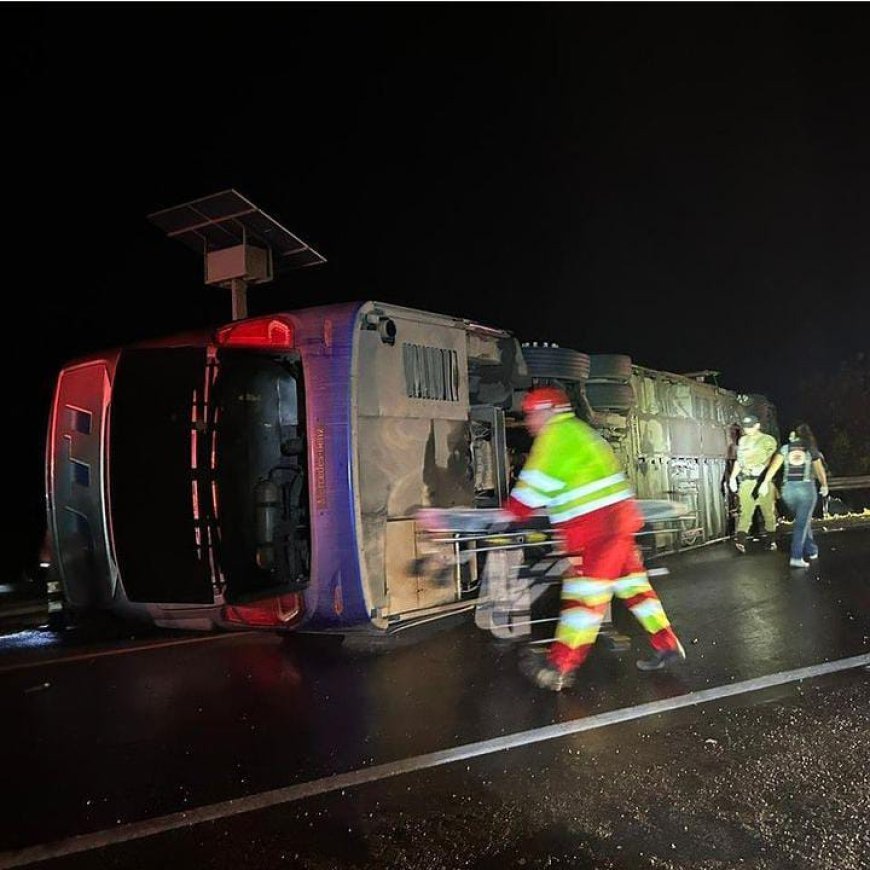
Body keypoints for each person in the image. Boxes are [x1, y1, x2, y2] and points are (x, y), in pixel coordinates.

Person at [502, 386, 685, 692]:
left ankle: (559, 667)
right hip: (617, 523)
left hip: (598, 530)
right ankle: (667, 645)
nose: (529, 422)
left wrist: (510, 515)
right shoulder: (581, 432)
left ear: (548, 411)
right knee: (635, 589)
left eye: (532, 414)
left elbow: (534, 485)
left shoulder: (556, 437)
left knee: (585, 595)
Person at [759, 423, 829, 568]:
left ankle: (811, 549)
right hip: (806, 488)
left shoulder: (785, 449)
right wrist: (824, 485)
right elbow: (819, 469)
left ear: (794, 435)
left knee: (803, 519)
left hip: (788, 490)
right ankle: (796, 556)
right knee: (801, 522)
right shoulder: (810, 448)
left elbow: (774, 466)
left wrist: (765, 482)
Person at [728, 413, 778, 553]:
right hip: (747, 481)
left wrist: (762, 467)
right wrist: (733, 477)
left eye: (750, 427)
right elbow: (739, 461)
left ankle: (771, 540)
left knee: (768, 512)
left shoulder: (767, 440)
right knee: (745, 512)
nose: (747, 430)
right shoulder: (743, 441)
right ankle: (741, 541)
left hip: (763, 480)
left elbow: (772, 458)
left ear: (757, 426)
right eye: (745, 427)